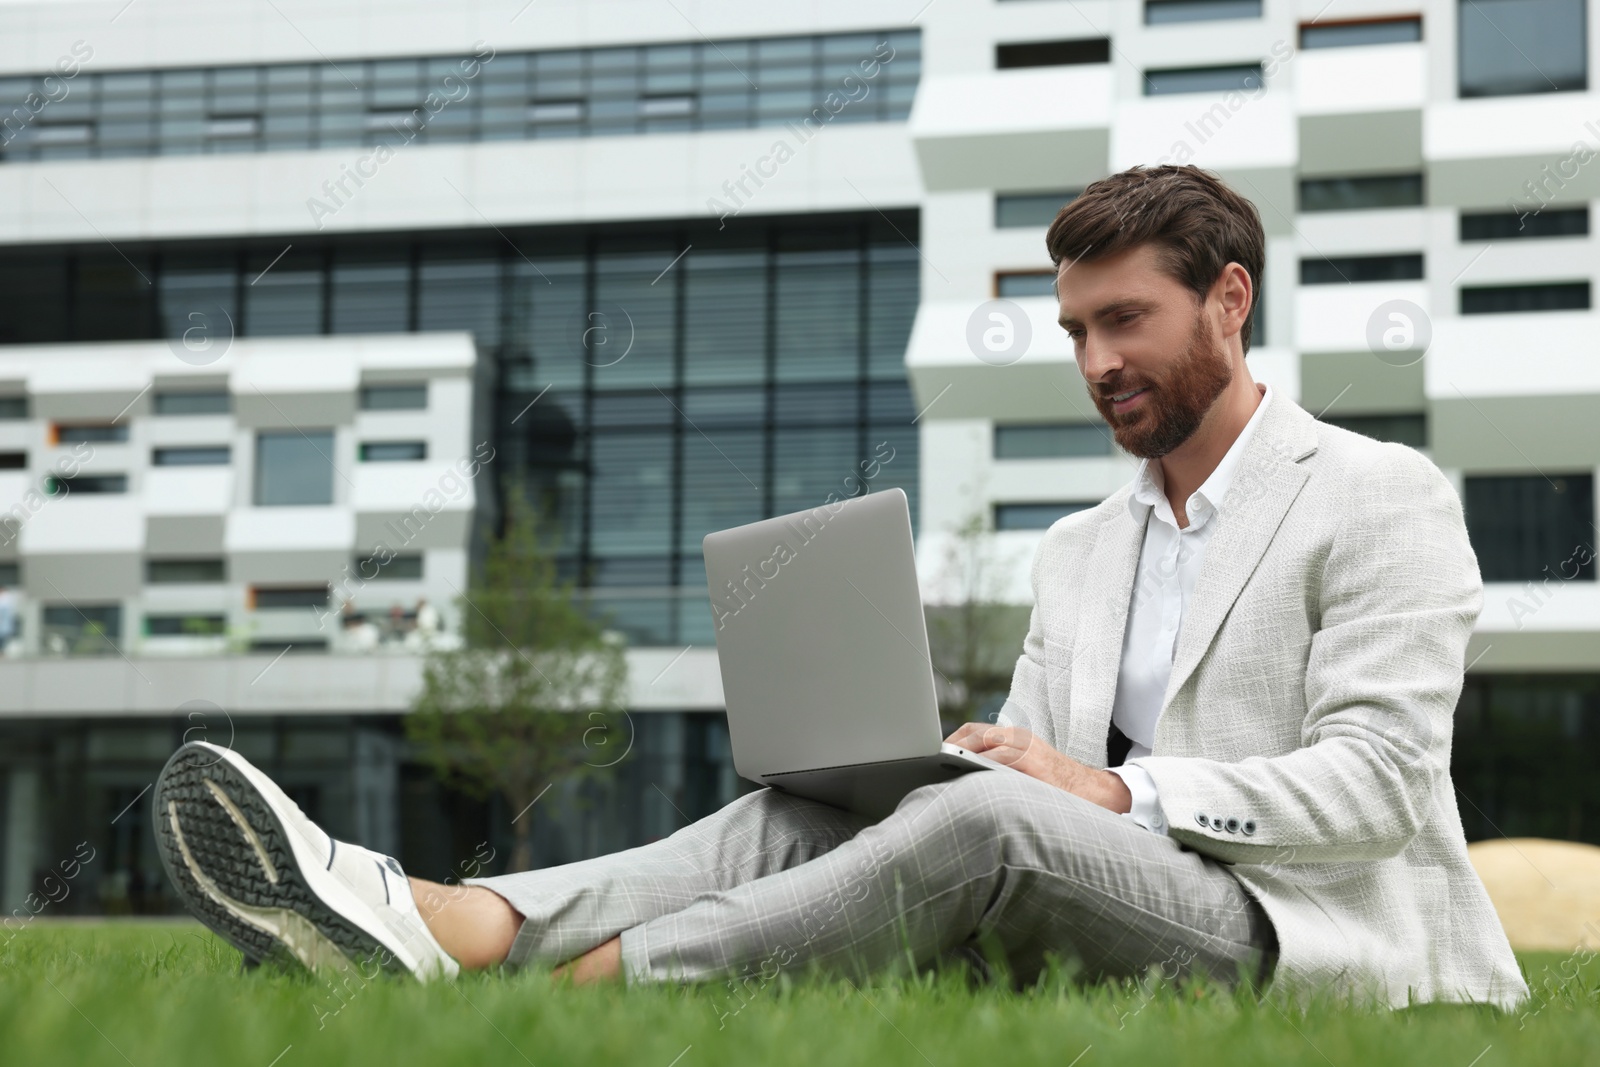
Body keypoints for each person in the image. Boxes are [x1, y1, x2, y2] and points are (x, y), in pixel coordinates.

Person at [150, 164, 1529, 1011]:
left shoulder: (1376, 493)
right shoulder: (1080, 549)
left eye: (1127, 320)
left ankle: (588, 992)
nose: (1096, 358)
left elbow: (1378, 790)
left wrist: (1118, 789)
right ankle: (450, 924)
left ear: (1228, 301)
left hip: (1294, 930)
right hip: (1103, 895)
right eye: (1075, 330)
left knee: (989, 818)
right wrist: (988, 762)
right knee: (818, 798)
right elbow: (1030, 780)